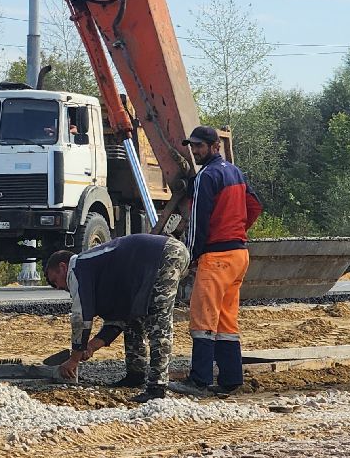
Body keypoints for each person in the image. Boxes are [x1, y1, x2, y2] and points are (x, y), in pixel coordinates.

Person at [43, 233, 189, 403]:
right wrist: (90, 347)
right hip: (150, 262)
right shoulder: (100, 274)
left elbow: (81, 317)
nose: (60, 287)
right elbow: (118, 320)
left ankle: (157, 386)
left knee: (158, 320)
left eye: (55, 281)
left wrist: (73, 359)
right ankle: (136, 375)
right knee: (134, 319)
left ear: (62, 267)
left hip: (165, 254)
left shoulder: (79, 266)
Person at [182, 125, 263, 396]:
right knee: (227, 321)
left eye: (199, 146)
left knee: (203, 320)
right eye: (192, 146)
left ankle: (200, 380)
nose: (194, 151)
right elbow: (255, 206)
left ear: (214, 147)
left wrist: (191, 255)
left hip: (216, 257)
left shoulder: (206, 175)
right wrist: (237, 229)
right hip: (239, 255)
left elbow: (198, 221)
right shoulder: (234, 172)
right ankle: (230, 379)